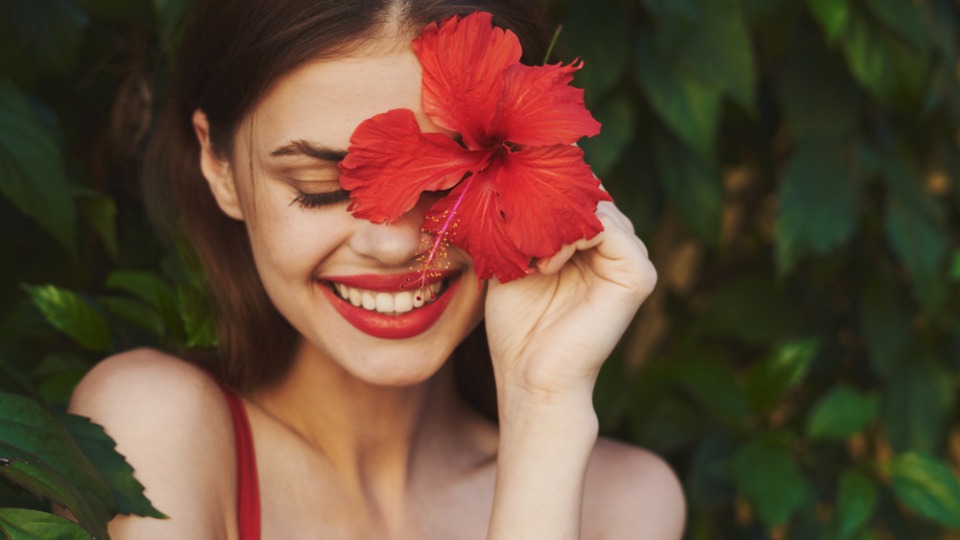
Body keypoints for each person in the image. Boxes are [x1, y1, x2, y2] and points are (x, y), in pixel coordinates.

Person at [68, 0, 685, 537]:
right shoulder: (152, 429)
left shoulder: (623, 504)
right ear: (220, 167)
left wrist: (543, 407)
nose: (393, 247)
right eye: (321, 186)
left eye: (450, 183)